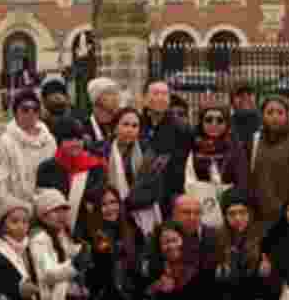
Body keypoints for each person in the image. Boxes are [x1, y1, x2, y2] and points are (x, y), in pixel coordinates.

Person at [211, 191, 277, 300]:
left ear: (250, 214)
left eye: (242, 212)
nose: (238, 218)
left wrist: (266, 275)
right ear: (225, 216)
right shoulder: (218, 240)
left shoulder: (264, 238)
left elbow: (272, 290)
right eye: (232, 214)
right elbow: (216, 286)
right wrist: (220, 274)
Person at [30, 188, 94, 300]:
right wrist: (75, 264)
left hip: (58, 290)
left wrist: (85, 249)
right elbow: (49, 273)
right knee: (74, 294)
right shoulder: (39, 238)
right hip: (47, 295)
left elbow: (69, 251)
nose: (61, 215)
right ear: (43, 215)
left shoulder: (58, 233)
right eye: (55, 211)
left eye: (63, 210)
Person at [248, 96, 289, 244]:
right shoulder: (256, 141)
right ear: (262, 115)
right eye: (270, 112)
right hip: (261, 216)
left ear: (286, 115)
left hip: (287, 217)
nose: (275, 117)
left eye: (280, 112)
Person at [35, 116, 106, 239]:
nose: (75, 143)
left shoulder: (95, 167)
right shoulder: (46, 169)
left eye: (78, 138)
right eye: (68, 139)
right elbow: (44, 206)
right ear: (59, 141)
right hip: (55, 234)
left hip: (88, 234)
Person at [105, 106, 165, 242]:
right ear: (115, 127)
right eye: (125, 124)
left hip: (141, 216)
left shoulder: (147, 153)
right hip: (109, 214)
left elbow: (155, 190)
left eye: (135, 126)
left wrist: (126, 204)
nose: (130, 130)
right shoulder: (102, 151)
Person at [139, 80, 193, 218]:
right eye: (155, 93)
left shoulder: (182, 129)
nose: (161, 98)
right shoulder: (137, 125)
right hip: (141, 192)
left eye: (165, 94)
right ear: (144, 99)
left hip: (170, 194)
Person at [0, 90, 57, 206]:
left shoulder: (49, 140)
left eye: (35, 109)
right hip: (16, 205)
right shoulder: (5, 141)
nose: (31, 113)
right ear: (15, 112)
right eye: (25, 109)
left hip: (45, 203)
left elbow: (54, 175)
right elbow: (2, 179)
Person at [184, 104, 249, 217]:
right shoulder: (192, 146)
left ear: (227, 123)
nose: (214, 124)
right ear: (201, 123)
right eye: (208, 120)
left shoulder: (235, 147)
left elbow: (243, 180)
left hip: (228, 208)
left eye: (220, 120)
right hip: (198, 206)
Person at [86, 76, 122, 150]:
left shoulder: (121, 125)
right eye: (110, 93)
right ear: (96, 98)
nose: (116, 97)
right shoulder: (84, 128)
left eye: (116, 93)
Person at [229, 84, 261, 150]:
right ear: (232, 102)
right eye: (239, 94)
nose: (245, 97)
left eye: (249, 94)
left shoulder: (266, 124)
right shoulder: (225, 126)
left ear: (257, 100)